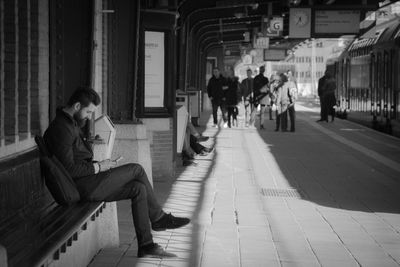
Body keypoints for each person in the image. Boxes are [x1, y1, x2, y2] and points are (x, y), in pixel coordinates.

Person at [44, 87, 190, 258]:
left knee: (138, 189)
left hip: (87, 181)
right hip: (80, 187)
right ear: (77, 106)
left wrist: (100, 165)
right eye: (88, 111)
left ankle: (146, 244)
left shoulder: (70, 123)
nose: (90, 116)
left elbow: (75, 161)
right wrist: (99, 167)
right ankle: (158, 218)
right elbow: (68, 170)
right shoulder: (62, 128)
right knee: (136, 169)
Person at [253, 65, 269, 129]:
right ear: (264, 71)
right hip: (263, 97)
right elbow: (267, 88)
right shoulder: (266, 79)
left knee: (254, 110)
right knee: (262, 112)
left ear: (259, 71)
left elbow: (253, 87)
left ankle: (251, 123)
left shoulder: (255, 78)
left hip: (256, 96)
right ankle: (261, 125)